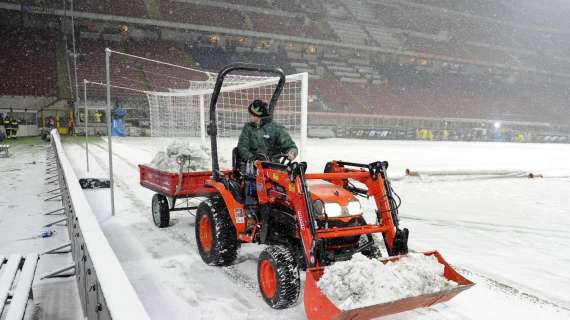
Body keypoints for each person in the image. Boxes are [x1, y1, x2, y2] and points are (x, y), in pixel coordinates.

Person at [237, 99, 298, 170]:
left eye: (252, 114)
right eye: (250, 113)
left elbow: (291, 146)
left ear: (259, 115)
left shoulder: (276, 128)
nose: (250, 115)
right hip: (252, 167)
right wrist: (253, 159)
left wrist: (292, 153)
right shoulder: (247, 128)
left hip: (273, 168)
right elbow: (242, 147)